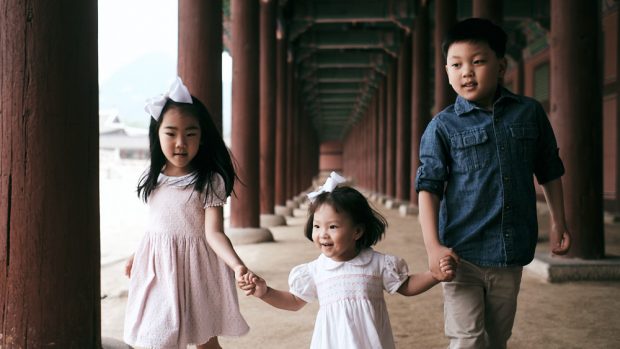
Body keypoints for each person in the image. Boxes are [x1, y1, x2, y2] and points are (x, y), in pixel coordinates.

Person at [415, 18, 571, 349]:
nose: (466, 72)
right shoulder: (442, 126)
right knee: (467, 340)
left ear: (500, 66)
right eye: (456, 65)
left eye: (478, 61)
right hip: (460, 255)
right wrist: (433, 247)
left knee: (496, 340)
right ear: (446, 71)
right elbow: (428, 189)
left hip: (510, 253)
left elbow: (549, 169)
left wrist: (559, 221)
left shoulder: (529, 113)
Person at [242, 172, 456, 349]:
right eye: (317, 226)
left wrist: (434, 276)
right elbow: (295, 301)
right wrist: (266, 292)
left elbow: (406, 285)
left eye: (332, 227)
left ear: (357, 231)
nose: (323, 234)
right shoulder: (315, 270)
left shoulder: (377, 263)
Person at [123, 77, 251, 349]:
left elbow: (214, 233)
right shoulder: (153, 177)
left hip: (197, 269)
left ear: (202, 138)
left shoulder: (209, 180)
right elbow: (158, 225)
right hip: (159, 269)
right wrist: (138, 254)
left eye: (190, 133)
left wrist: (237, 264)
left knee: (205, 341)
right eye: (171, 133)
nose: (181, 142)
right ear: (157, 134)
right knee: (156, 338)